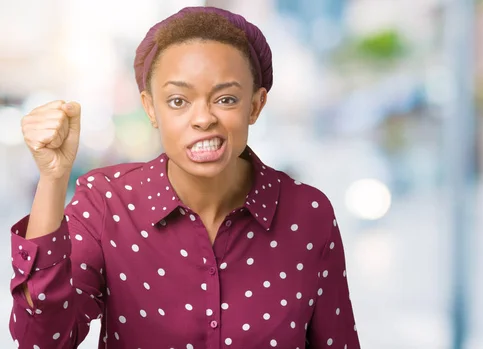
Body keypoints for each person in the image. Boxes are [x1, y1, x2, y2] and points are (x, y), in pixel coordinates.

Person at [9, 6, 360, 349]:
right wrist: (53, 178)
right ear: (150, 108)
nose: (203, 118)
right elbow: (42, 340)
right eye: (178, 101)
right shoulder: (106, 203)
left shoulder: (309, 213)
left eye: (225, 98)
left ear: (255, 105)